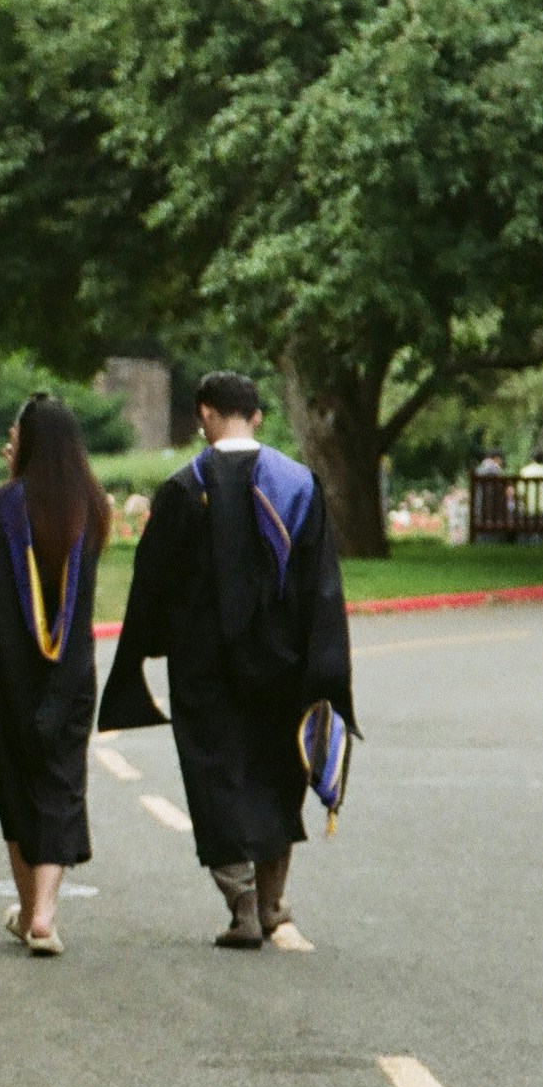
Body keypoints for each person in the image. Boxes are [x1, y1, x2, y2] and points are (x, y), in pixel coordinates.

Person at [99, 370, 354, 951]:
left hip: (202, 669)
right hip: (283, 666)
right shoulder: (299, 485)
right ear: (257, 417)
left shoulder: (182, 488)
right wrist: (324, 668)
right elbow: (321, 589)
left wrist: (148, 649)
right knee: (276, 776)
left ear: (205, 414)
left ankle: (239, 901)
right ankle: (272, 904)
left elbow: (152, 586)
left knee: (215, 777)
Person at [0, 392, 111, 956]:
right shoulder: (92, 507)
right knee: (60, 783)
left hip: (8, 674)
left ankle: (32, 913)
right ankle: (43, 913)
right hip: (71, 672)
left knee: (14, 781)